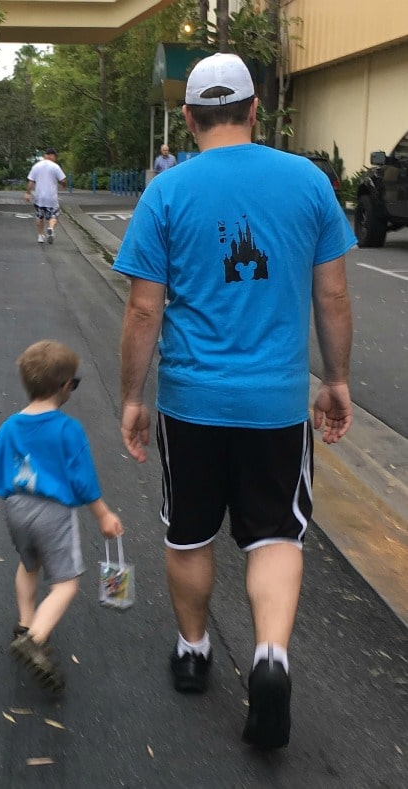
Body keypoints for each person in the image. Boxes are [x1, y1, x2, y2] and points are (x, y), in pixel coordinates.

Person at [113, 53, 355, 748]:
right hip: (277, 404)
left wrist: (133, 395)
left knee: (188, 531)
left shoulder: (166, 191)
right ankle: (270, 656)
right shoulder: (309, 182)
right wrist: (335, 380)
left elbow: (141, 310)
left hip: (191, 403)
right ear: (255, 110)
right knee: (276, 534)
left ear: (188, 119)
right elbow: (332, 294)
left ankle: (194, 650)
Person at [0, 340, 124, 692]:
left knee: (28, 565)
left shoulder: (12, 426)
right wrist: (104, 515)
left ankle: (24, 622)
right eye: (73, 384)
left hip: (16, 509)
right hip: (53, 513)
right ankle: (35, 638)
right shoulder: (67, 429)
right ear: (64, 387)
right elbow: (84, 479)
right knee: (66, 584)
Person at [25, 148, 67, 244]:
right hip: (51, 198)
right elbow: (63, 181)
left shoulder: (36, 166)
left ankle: (40, 236)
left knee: (40, 217)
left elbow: (31, 181)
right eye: (54, 156)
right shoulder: (55, 167)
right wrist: (63, 184)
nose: (55, 158)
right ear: (51, 156)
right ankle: (51, 228)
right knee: (53, 216)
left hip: (39, 197)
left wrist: (28, 193)